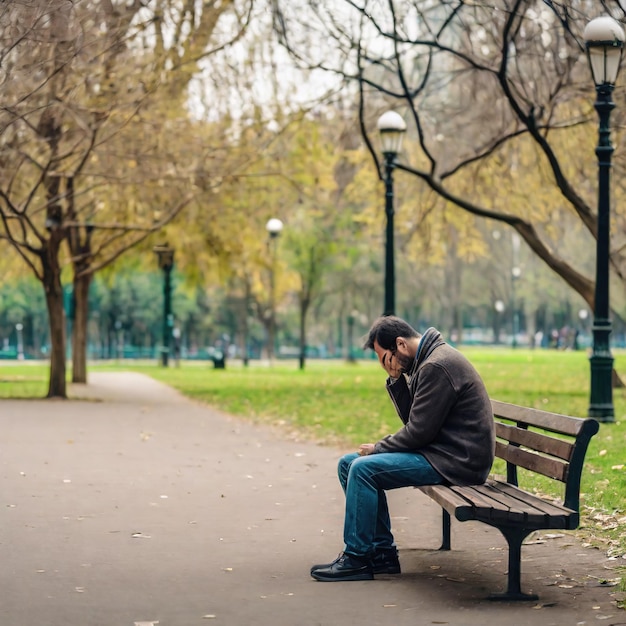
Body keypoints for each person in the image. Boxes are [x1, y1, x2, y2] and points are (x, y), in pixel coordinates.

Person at [310, 316, 495, 582]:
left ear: (400, 344)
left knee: (362, 469)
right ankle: (382, 553)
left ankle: (357, 559)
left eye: (387, 358)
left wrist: (378, 448)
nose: (387, 366)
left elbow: (417, 432)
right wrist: (397, 381)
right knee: (348, 464)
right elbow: (417, 423)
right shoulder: (428, 361)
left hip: (458, 461)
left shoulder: (437, 366)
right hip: (442, 452)